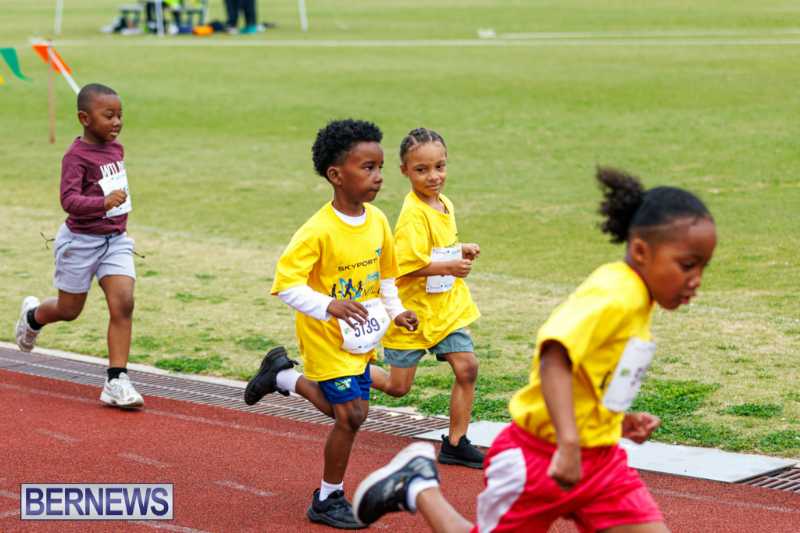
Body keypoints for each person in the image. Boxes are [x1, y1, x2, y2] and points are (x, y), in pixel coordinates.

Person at [352, 167, 718, 532]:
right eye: (687, 265)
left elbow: (589, 375)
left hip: (601, 461)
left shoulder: (639, 299)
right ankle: (417, 486)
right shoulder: (615, 294)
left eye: (703, 267)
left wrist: (617, 421)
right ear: (641, 250)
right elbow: (555, 354)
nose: (696, 280)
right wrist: (570, 443)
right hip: (539, 455)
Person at [244, 119, 418, 529]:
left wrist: (397, 313)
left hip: (361, 337)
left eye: (379, 167)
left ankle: (282, 377)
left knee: (354, 412)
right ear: (336, 175)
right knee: (351, 417)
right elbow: (285, 284)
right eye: (367, 168)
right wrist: (329, 306)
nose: (377, 177)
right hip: (325, 336)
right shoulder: (317, 230)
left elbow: (387, 278)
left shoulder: (377, 220)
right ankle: (327, 497)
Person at [15, 83, 143, 409]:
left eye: (120, 115)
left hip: (115, 241)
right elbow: (69, 201)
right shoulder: (75, 156)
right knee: (69, 310)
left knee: (123, 302)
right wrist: (103, 203)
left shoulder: (117, 149)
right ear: (84, 118)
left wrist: (115, 212)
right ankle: (32, 318)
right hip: (80, 243)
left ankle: (116, 380)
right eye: (108, 115)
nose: (116, 122)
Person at [370, 128, 483, 469]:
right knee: (397, 386)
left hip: (445, 308)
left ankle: (455, 442)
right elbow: (402, 267)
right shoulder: (411, 216)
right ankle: (342, 369)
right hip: (412, 313)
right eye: (422, 170)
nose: (433, 176)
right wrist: (450, 264)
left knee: (467, 367)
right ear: (404, 171)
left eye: (440, 167)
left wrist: (459, 249)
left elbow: (435, 248)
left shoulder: (444, 203)